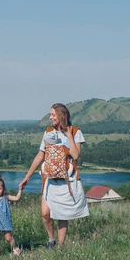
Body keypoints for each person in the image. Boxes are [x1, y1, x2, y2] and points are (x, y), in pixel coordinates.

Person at [19, 103, 89, 249]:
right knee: (45, 213)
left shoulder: (75, 131)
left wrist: (68, 136)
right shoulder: (48, 132)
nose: (50, 117)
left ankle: (60, 245)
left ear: (61, 115)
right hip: (49, 178)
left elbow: (75, 155)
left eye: (52, 115)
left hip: (66, 180)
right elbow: (40, 155)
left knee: (62, 215)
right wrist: (27, 177)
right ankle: (51, 239)